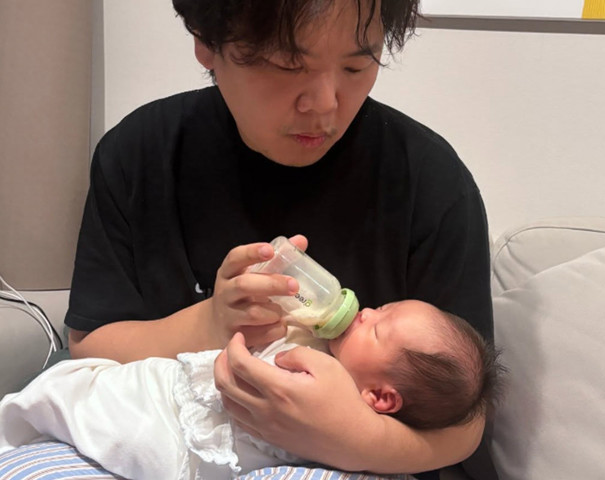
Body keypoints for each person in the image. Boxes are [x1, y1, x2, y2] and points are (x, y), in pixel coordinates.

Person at [61, 0, 496, 477]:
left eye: (357, 65)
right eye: (289, 64)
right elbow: (90, 347)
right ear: (207, 43)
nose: (325, 103)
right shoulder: (141, 155)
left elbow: (466, 422)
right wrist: (212, 321)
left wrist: (351, 437)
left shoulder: (429, 181)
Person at [0, 301, 501, 480]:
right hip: (154, 383)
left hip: (172, 435)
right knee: (81, 396)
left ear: (381, 399)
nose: (366, 311)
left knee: (106, 421)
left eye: (378, 328)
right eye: (382, 307)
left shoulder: (320, 378)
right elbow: (88, 341)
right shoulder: (321, 342)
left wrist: (350, 436)